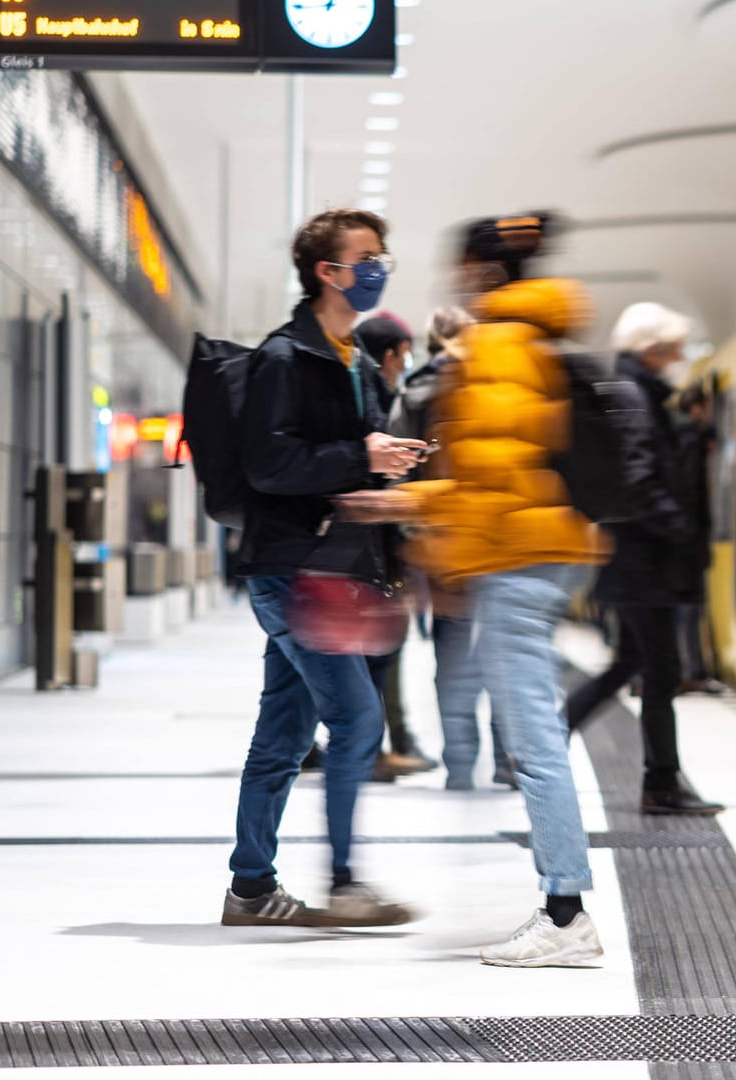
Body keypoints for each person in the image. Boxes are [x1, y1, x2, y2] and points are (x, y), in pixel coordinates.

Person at [341, 213, 607, 966]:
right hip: (539, 553)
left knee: (534, 741)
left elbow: (492, 481)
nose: (458, 281)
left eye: (464, 268)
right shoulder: (537, 339)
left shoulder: (496, 347)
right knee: (534, 735)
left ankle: (565, 913)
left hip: (519, 563)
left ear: (486, 273)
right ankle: (563, 905)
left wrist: (405, 504)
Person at [221, 207, 423, 928]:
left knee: (283, 732)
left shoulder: (357, 362)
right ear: (325, 272)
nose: (376, 269)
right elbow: (270, 466)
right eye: (364, 258)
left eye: (381, 257)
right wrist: (361, 456)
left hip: (330, 567)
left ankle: (250, 889)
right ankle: (344, 884)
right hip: (291, 568)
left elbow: (343, 461)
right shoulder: (284, 359)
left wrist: (386, 467)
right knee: (358, 720)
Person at [563, 303, 722, 816]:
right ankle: (661, 785)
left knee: (633, 663)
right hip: (644, 560)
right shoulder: (636, 398)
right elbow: (640, 478)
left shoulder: (633, 394)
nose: (678, 358)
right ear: (651, 349)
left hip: (636, 559)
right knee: (660, 671)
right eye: (673, 348)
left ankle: (544, 742)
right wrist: (677, 528)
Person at [389, 305, 516, 791]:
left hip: (441, 545)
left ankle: (460, 763)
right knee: (504, 653)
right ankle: (507, 758)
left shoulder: (415, 392)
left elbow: (398, 473)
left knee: (452, 658)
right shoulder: (494, 383)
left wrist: (415, 535)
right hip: (495, 539)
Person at [351, 313, 436, 782]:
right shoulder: (374, 400)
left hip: (372, 554)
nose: (406, 365)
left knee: (378, 651)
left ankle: (380, 744)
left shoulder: (369, 393)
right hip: (369, 555)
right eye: (404, 356)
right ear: (388, 355)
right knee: (375, 653)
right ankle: (370, 749)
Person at [670, 386, 723, 695]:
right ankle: (691, 671)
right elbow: (691, 495)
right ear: (698, 410)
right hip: (687, 543)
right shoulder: (691, 441)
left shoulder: (682, 439)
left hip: (684, 541)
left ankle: (688, 670)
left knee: (686, 609)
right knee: (689, 608)